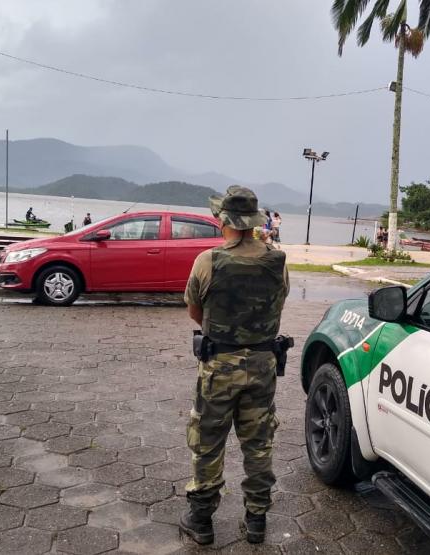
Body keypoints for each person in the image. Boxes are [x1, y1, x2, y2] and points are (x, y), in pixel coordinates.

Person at [181, 186, 289, 546]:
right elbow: (277, 307)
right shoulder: (277, 261)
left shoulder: (208, 260)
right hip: (262, 364)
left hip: (219, 365)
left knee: (208, 439)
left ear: (222, 219)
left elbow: (195, 311)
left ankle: (201, 521)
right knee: (258, 443)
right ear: (255, 221)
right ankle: (256, 520)